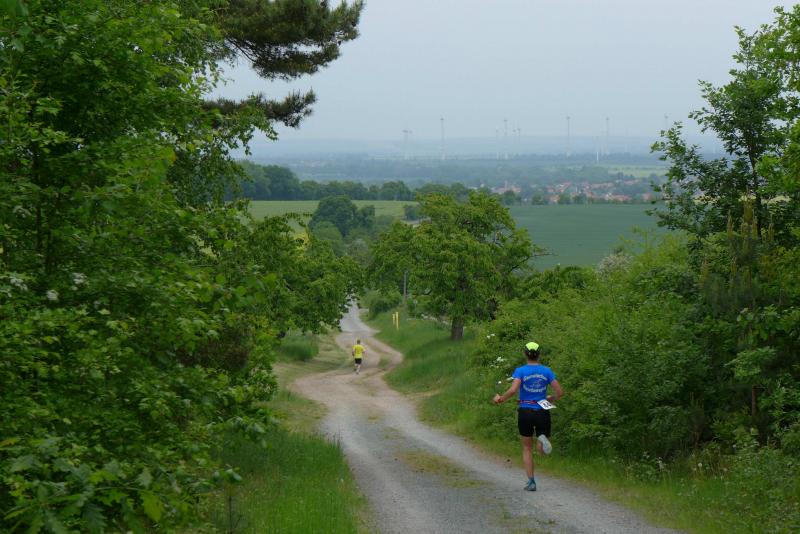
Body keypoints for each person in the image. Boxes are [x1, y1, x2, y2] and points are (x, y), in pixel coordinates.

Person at [493, 341, 563, 492]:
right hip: (542, 410)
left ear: (525, 354)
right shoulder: (546, 371)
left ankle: (531, 482)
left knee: (526, 448)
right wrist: (551, 398)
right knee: (541, 449)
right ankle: (541, 439)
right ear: (539, 354)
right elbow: (559, 392)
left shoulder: (520, 371)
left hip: (525, 411)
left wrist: (500, 399)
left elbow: (513, 390)